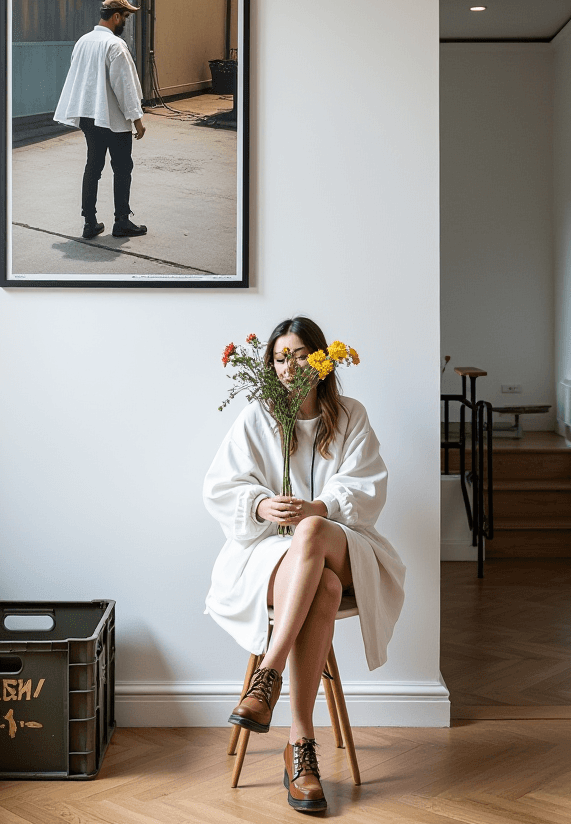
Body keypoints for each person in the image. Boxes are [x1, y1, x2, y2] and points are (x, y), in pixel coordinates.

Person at [203, 316, 406, 815]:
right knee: (325, 590)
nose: (289, 366)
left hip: (344, 541)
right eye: (279, 358)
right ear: (269, 366)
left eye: (299, 356)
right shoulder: (257, 416)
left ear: (321, 361)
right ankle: (301, 750)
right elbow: (220, 486)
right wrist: (258, 505)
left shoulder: (351, 414)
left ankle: (266, 677)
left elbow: (367, 486)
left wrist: (320, 508)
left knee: (314, 533)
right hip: (272, 551)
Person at [53, 0, 148, 239]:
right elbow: (124, 86)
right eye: (125, 17)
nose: (125, 22)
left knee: (93, 167)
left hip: (88, 116)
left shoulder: (83, 41)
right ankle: (122, 221)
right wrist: (137, 118)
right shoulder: (114, 45)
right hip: (112, 118)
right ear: (116, 16)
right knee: (122, 168)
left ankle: (89, 222)